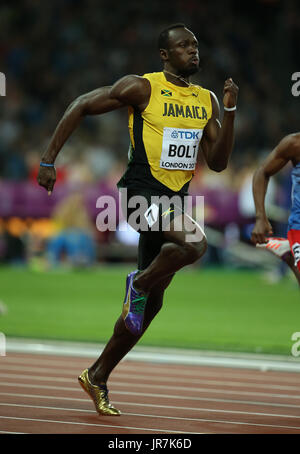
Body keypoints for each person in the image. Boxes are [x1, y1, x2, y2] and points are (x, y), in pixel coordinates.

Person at [37, 23, 239, 416]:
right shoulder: (142, 88)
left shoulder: (206, 100)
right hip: (136, 198)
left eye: (195, 46)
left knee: (150, 308)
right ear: (165, 55)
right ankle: (140, 282)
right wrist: (48, 159)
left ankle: (97, 375)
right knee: (195, 244)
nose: (193, 52)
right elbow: (80, 103)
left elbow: (218, 163)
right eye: (183, 47)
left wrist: (228, 110)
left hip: (172, 205)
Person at [251, 132, 300, 287]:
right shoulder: (294, 144)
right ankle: (290, 255)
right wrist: (260, 218)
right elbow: (262, 172)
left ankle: (289, 255)